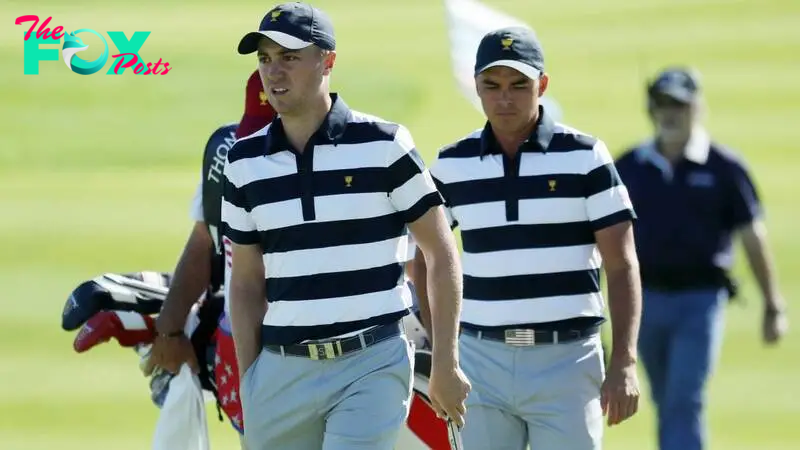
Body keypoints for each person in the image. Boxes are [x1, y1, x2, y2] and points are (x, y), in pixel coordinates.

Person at [223, 3, 470, 449]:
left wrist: (447, 361)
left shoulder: (385, 144)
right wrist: (251, 378)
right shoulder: (243, 162)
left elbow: (439, 250)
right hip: (280, 371)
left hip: (371, 362)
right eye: (265, 59)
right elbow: (244, 280)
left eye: (289, 57)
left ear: (328, 61)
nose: (274, 72)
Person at [413, 25, 642, 450]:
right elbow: (424, 257)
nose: (505, 98)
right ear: (475, 86)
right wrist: (441, 348)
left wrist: (624, 362)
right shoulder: (452, 163)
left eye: (520, 85)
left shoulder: (586, 157)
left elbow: (621, 263)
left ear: (543, 84)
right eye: (492, 85)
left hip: (567, 360)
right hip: (480, 361)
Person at [614, 67, 789, 450]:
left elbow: (751, 237)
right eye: (662, 105)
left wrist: (773, 304)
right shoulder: (630, 166)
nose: (670, 113)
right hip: (645, 302)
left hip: (700, 301)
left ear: (697, 107)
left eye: (679, 104)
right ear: (651, 109)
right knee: (665, 400)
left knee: (684, 399)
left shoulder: (724, 168)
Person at [141, 68, 277, 445]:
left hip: (314, 351)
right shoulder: (229, 154)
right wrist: (169, 328)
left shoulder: (342, 161)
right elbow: (204, 241)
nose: (262, 147)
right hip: (241, 346)